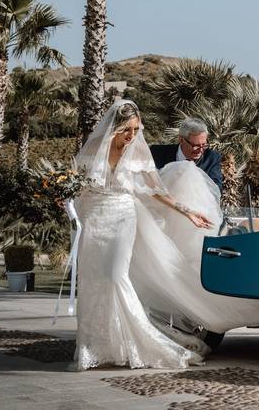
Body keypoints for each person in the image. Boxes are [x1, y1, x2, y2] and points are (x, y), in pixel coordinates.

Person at [68, 100, 212, 371]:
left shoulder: (137, 153)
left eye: (136, 129)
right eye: (127, 130)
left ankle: (137, 343)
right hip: (94, 219)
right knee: (93, 281)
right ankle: (94, 347)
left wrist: (187, 211)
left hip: (123, 217)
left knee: (115, 275)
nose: (132, 136)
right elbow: (75, 187)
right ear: (114, 127)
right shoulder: (92, 150)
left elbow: (156, 190)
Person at [150, 118, 223, 194]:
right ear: (181, 140)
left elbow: (216, 189)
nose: (200, 150)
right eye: (196, 145)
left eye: (204, 145)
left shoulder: (212, 158)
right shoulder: (157, 152)